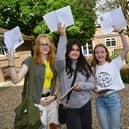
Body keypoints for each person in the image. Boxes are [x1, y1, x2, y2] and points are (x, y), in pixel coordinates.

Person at [8, 34, 59, 129]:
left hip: (51, 102)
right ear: (37, 46)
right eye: (41, 44)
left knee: (53, 127)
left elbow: (57, 82)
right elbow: (16, 80)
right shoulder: (30, 61)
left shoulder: (53, 62)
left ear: (51, 46)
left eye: (47, 44)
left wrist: (54, 96)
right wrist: (10, 61)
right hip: (37, 105)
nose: (44, 47)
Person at [55, 23, 95, 129]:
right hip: (70, 108)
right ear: (67, 51)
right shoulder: (61, 66)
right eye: (72, 50)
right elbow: (59, 57)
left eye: (77, 50)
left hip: (86, 105)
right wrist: (63, 36)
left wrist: (82, 85)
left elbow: (93, 84)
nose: (75, 52)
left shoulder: (85, 65)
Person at [91, 26, 129, 129]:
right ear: (94, 54)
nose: (100, 54)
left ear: (106, 53)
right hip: (100, 101)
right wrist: (95, 90)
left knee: (115, 127)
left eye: (102, 52)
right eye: (97, 52)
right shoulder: (93, 68)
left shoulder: (114, 63)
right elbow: (91, 84)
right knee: (104, 127)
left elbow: (126, 48)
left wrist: (120, 32)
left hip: (113, 99)